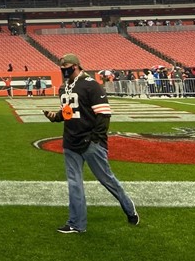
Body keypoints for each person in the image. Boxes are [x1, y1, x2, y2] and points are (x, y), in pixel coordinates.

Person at [43, 54, 139, 233]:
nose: (64, 68)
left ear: (77, 65)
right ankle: (76, 223)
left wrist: (94, 139)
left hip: (90, 142)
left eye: (67, 65)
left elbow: (104, 115)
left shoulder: (91, 85)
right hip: (71, 141)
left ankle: (129, 208)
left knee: (107, 180)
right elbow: (68, 113)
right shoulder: (64, 88)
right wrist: (55, 117)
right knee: (74, 184)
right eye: (61, 66)